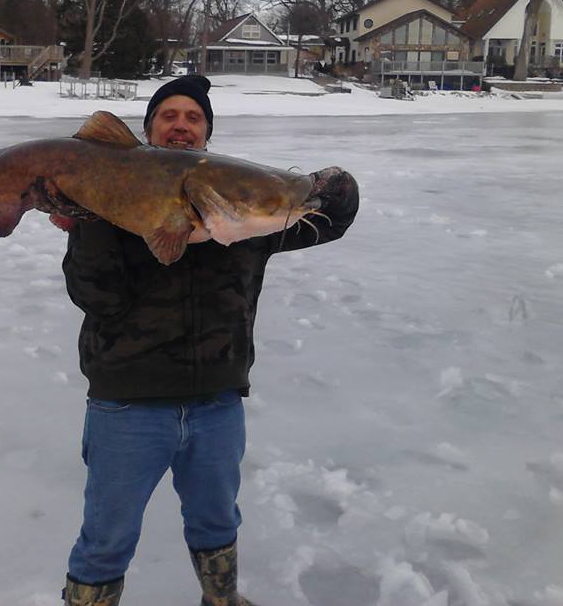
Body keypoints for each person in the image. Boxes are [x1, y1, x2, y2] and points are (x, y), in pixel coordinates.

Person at [52, 75, 358, 606]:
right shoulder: (110, 206)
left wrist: (327, 182)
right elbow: (96, 298)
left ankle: (222, 601)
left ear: (207, 135)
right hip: (127, 405)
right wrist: (92, 218)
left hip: (216, 402)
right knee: (106, 538)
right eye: (168, 115)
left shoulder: (248, 212)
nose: (181, 124)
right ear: (148, 131)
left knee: (217, 522)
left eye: (193, 117)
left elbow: (334, 216)